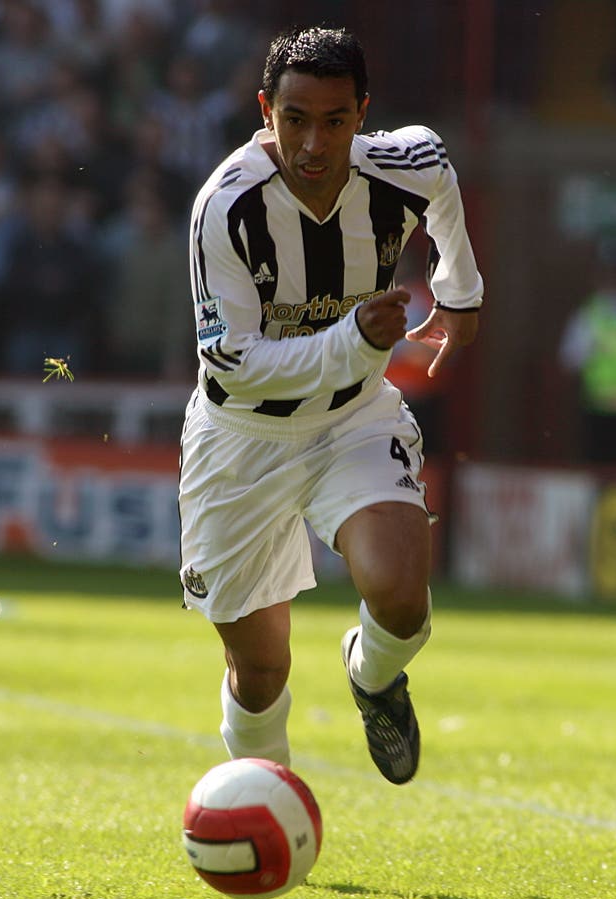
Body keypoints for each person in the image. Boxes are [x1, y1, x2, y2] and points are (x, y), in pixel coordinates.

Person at [178, 26, 483, 785]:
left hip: (351, 418)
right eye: (295, 119)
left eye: (336, 120)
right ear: (265, 111)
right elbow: (239, 367)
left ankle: (374, 676)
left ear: (362, 113)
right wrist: (352, 336)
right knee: (260, 668)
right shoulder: (226, 209)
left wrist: (461, 293)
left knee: (403, 597)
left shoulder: (397, 168)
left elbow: (438, 170)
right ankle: (266, 796)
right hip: (240, 439)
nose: (314, 143)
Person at [559, 236, 616, 464]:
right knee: (601, 474)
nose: (613, 282)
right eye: (608, 274)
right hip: (599, 412)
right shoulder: (588, 315)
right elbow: (570, 359)